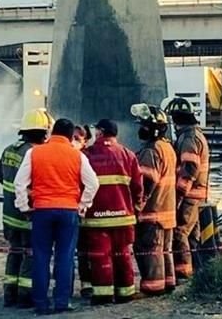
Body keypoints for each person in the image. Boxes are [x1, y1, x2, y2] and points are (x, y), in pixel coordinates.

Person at [14, 118, 99, 316]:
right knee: (65, 258)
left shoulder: (34, 152)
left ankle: (41, 304)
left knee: (41, 257)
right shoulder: (77, 155)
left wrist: (24, 207)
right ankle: (62, 301)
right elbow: (93, 183)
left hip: (42, 211)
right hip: (68, 211)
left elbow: (20, 183)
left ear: (52, 133)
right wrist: (82, 205)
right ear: (70, 136)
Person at [81, 119, 143, 305]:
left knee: (100, 258)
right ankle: (126, 293)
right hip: (124, 218)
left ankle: (103, 295)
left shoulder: (87, 155)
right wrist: (136, 208)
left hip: (96, 219)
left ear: (100, 132)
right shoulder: (129, 155)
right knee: (123, 256)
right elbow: (138, 187)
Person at [0, 108, 53, 308]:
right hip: (27, 213)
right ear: (41, 132)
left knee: (14, 251)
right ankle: (25, 295)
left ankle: (9, 294)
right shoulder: (34, 152)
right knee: (31, 253)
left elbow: (1, 175)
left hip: (9, 215)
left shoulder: (9, 149)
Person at [130, 103, 177, 296]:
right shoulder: (167, 148)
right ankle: (168, 282)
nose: (140, 129)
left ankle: (154, 287)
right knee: (164, 250)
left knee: (150, 250)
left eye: (142, 125)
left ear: (151, 128)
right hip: (167, 211)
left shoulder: (150, 151)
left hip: (152, 212)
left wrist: (138, 205)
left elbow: (147, 182)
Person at [162, 96, 211, 281]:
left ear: (177, 120)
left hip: (190, 195)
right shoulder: (194, 135)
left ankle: (183, 272)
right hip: (198, 194)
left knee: (179, 231)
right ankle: (196, 270)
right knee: (192, 235)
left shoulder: (189, 138)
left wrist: (179, 195)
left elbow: (189, 169)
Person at [74, 124, 93, 300]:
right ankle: (85, 284)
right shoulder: (71, 155)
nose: (74, 141)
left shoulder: (89, 157)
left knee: (90, 249)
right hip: (74, 211)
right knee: (81, 250)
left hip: (89, 211)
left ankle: (92, 282)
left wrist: (84, 204)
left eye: (78, 138)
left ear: (86, 140)